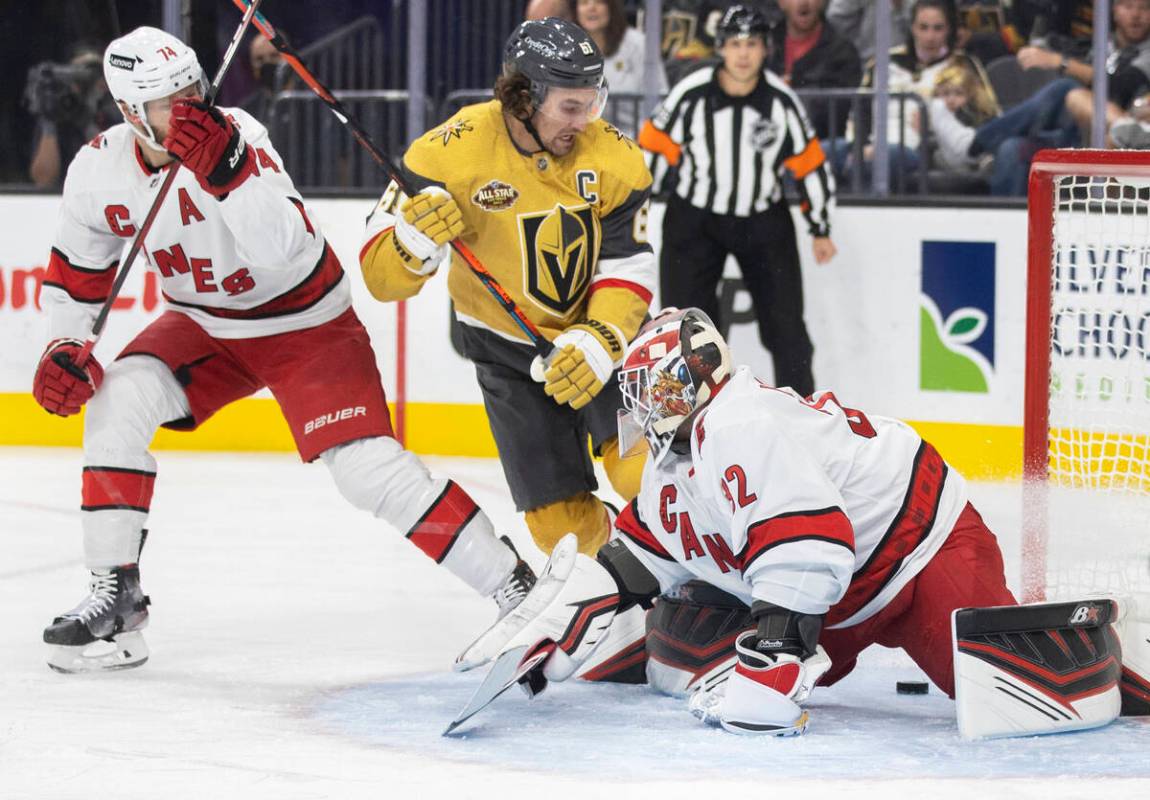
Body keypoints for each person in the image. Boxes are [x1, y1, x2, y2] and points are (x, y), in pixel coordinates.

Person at [33, 26, 535, 674]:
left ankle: (513, 585)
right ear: (132, 114)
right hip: (206, 327)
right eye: (168, 103)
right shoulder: (98, 169)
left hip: (306, 324)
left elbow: (283, 251)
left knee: (365, 470)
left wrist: (228, 171)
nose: (189, 110)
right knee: (115, 400)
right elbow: (76, 278)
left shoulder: (239, 135)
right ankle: (116, 595)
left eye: (194, 91)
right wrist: (64, 345)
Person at [357, 18, 655, 560]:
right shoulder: (447, 154)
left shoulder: (616, 159)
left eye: (594, 101)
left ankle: (696, 569)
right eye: (570, 106)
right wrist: (412, 239)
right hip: (507, 357)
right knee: (560, 529)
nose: (586, 121)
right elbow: (380, 279)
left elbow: (630, 264)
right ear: (523, 98)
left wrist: (598, 340)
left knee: (643, 471)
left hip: (603, 350)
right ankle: (626, 583)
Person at [638, 4, 836, 399]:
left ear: (765, 49)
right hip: (694, 221)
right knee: (685, 330)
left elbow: (810, 165)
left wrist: (821, 228)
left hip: (763, 220)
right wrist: (635, 216)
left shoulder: (781, 102)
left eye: (751, 44)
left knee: (787, 329)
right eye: (734, 44)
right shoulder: (690, 93)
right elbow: (651, 155)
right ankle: (684, 425)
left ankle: (804, 419)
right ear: (721, 48)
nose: (743, 53)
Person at [844, 0, 994, 188]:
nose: (930, 37)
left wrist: (939, 122)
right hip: (871, 146)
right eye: (923, 28)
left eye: (938, 28)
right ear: (912, 28)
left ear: (949, 30)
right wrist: (857, 148)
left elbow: (987, 118)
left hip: (921, 152)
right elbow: (858, 114)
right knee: (824, 152)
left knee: (884, 158)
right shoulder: (883, 63)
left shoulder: (964, 66)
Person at [1014, 0, 1150, 141]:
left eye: (1144, 8)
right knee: (1011, 147)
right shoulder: (1103, 41)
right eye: (1128, 7)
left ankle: (990, 133)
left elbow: (1119, 86)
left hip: (1111, 129)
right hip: (1076, 128)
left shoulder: (1147, 52)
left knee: (1066, 88)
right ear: (1115, 11)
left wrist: (1061, 62)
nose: (1135, 15)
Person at [26, 43, 118, 189]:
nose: (87, 84)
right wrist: (50, 122)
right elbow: (43, 180)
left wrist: (89, 125)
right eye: (79, 76)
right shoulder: (56, 118)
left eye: (94, 75)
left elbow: (115, 172)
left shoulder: (116, 118)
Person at [767, 0, 863, 139]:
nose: (804, 3)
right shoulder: (764, 46)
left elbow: (840, 112)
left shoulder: (842, 51)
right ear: (781, 3)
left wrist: (792, 93)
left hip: (822, 146)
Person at [570, 0, 668, 136]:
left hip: (635, 139)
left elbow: (659, 99)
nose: (591, 8)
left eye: (599, 2)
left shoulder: (639, 44)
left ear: (612, 7)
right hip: (584, 141)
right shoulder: (568, 48)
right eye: (584, 2)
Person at [826, 0, 911, 63]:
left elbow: (920, 28)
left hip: (911, 67)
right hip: (865, 65)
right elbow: (834, 22)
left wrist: (898, 7)